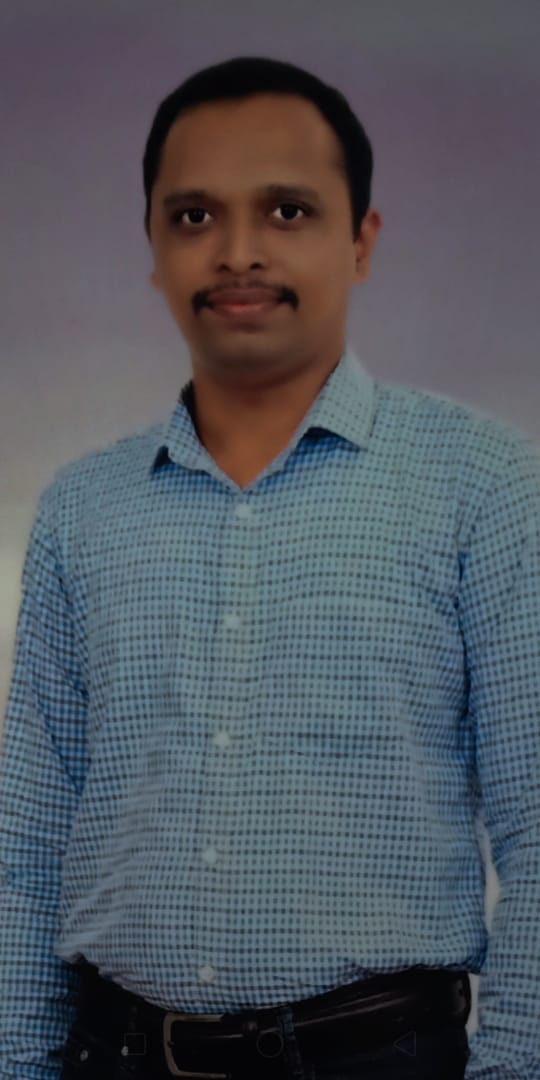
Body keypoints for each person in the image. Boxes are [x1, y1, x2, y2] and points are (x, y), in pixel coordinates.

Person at [0, 53, 539, 1080]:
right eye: (194, 215)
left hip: (379, 1060)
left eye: (287, 211)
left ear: (360, 241)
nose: (238, 251)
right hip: (114, 1055)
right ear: (153, 246)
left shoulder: (481, 484)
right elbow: (28, 846)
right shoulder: (83, 509)